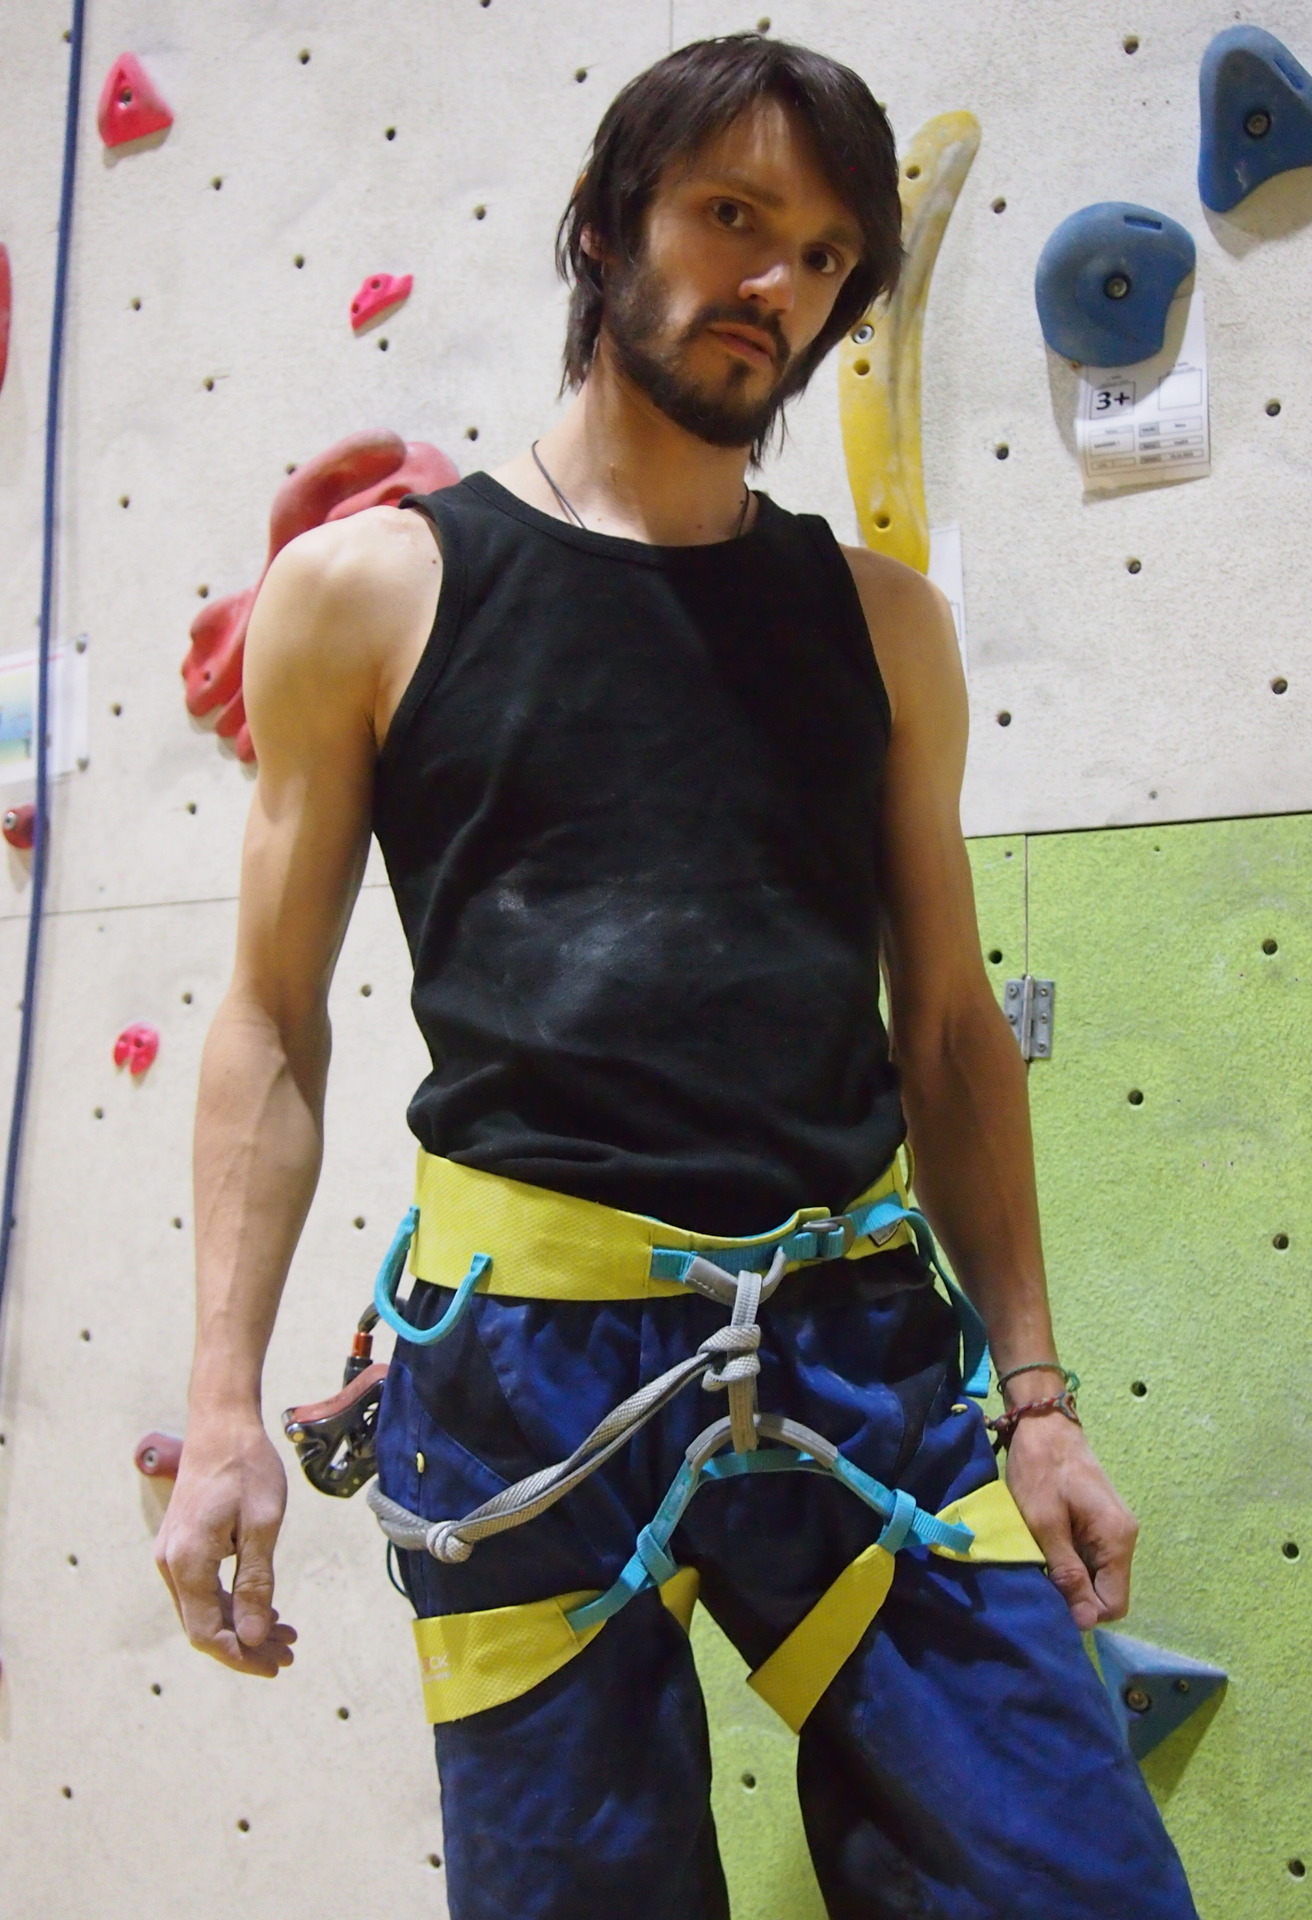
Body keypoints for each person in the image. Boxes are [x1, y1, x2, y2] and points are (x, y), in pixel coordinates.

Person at [156, 32, 1200, 1920]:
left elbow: (948, 1031)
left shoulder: (887, 630)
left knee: (1080, 1888)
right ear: (603, 223)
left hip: (862, 1355)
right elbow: (270, 1021)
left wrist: (1038, 1400)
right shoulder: (371, 595)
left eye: (823, 256)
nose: (774, 284)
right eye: (732, 216)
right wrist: (221, 1398)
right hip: (523, 1375)